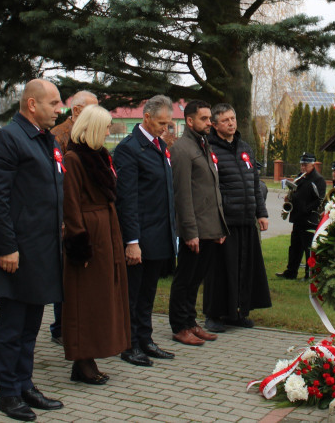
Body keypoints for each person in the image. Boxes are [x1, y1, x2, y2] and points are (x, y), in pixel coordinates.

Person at [0, 79, 65, 421]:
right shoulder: (9, 138)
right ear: (32, 105)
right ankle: (8, 392)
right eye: (54, 103)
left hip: (43, 247)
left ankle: (25, 382)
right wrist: (7, 247)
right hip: (18, 249)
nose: (60, 109)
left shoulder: (45, 139)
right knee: (12, 323)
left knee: (32, 321)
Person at [62, 104, 130, 384]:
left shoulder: (99, 156)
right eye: (104, 126)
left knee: (102, 297)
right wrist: (79, 243)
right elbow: (71, 204)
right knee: (84, 299)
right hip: (89, 234)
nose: (107, 131)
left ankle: (91, 357)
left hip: (106, 229)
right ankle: (82, 360)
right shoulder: (74, 158)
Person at [113, 95, 178, 367]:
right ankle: (129, 345)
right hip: (140, 236)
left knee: (149, 292)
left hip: (159, 234)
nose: (165, 128)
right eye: (160, 122)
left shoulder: (159, 145)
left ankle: (146, 339)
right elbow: (127, 199)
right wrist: (132, 240)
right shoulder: (129, 148)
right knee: (133, 294)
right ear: (146, 117)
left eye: (168, 122)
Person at [203, 103, 271, 332]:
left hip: (246, 219)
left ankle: (239, 311)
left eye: (233, 118)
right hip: (225, 222)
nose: (231, 123)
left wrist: (261, 213)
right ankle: (214, 315)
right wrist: (215, 221)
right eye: (225, 120)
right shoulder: (210, 149)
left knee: (244, 268)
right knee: (221, 271)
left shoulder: (244, 148)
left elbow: (254, 182)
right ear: (214, 124)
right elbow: (210, 188)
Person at [167, 100, 226, 347]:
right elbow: (183, 194)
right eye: (204, 118)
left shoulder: (203, 145)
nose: (209, 123)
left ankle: (191, 322)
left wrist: (220, 227)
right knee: (185, 279)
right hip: (195, 230)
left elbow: (211, 189)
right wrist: (189, 232)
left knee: (196, 279)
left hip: (210, 228)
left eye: (210, 118)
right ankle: (179, 326)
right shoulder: (182, 149)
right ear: (189, 121)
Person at [47, 89, 98, 344]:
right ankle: (60, 326)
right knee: (64, 272)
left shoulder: (87, 134)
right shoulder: (59, 136)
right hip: (65, 216)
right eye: (92, 108)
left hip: (82, 214)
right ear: (76, 110)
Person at [277, 153, 326, 280]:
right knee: (294, 247)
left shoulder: (318, 179)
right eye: (301, 165)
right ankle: (291, 272)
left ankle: (309, 274)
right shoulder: (300, 177)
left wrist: (306, 209)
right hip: (297, 217)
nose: (303, 168)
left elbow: (319, 199)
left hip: (309, 218)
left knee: (308, 248)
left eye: (305, 165)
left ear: (313, 165)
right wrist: (290, 197)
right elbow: (296, 192)